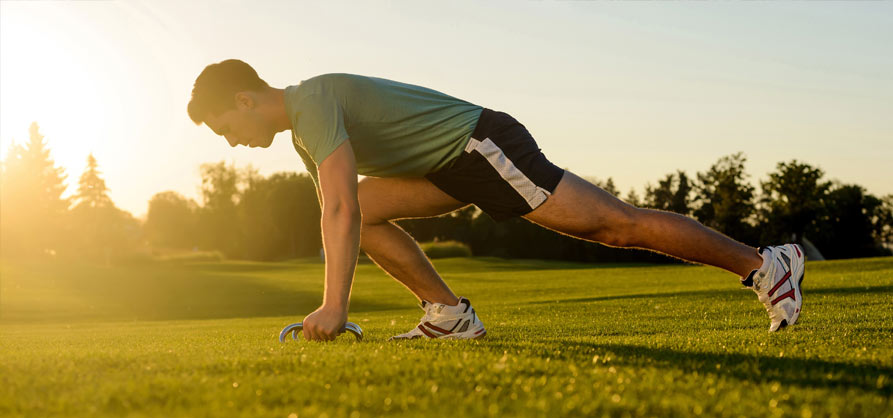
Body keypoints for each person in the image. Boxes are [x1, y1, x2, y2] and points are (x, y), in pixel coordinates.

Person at [187, 59, 805, 341]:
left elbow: (339, 211)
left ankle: (765, 265)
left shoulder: (313, 102)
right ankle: (449, 314)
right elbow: (343, 207)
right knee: (361, 207)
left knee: (613, 227)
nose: (234, 144)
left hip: (479, 146)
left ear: (245, 99)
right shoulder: (304, 129)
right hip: (448, 164)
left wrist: (331, 306)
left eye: (224, 128)